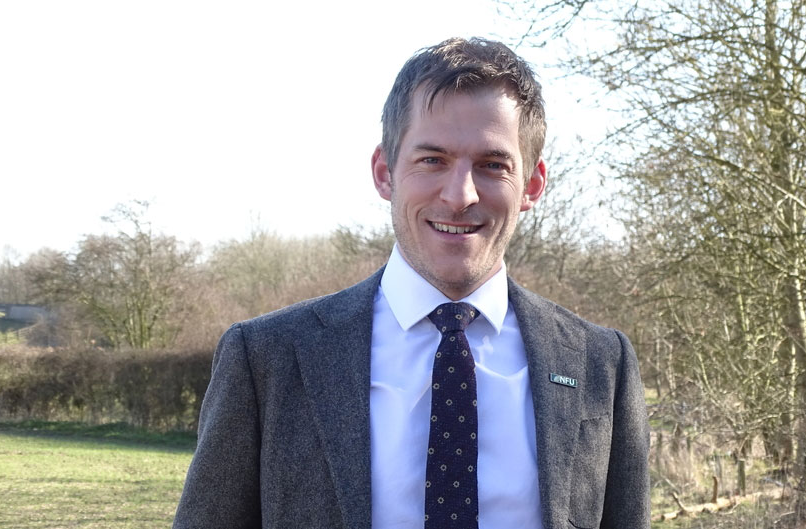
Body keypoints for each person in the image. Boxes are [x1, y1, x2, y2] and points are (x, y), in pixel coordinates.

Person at [173, 37, 650, 529]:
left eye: (492, 165)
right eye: (432, 159)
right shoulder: (267, 358)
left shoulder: (600, 365)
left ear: (531, 184)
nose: (460, 194)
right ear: (385, 172)